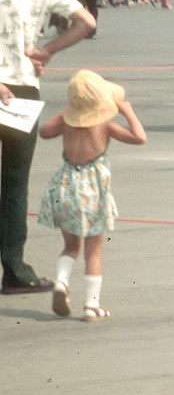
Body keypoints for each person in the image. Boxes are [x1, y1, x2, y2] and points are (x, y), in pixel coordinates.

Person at [0, 0, 95, 296]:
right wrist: (47, 50)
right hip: (23, 89)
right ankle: (15, 268)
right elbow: (85, 21)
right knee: (13, 182)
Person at [37, 71, 146, 321]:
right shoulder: (105, 125)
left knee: (71, 246)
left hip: (64, 188)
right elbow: (139, 137)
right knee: (93, 251)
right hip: (92, 194)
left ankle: (62, 283)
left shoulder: (66, 121)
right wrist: (126, 111)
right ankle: (91, 306)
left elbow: (44, 131)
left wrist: (70, 111)